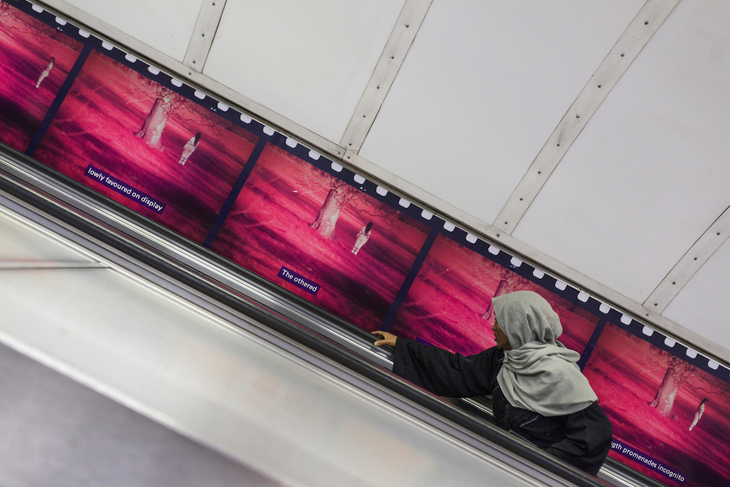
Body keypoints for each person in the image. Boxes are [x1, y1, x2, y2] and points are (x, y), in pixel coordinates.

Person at [373, 291, 612, 476]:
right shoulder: (503, 358)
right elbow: (459, 372)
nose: (493, 326)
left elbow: (593, 436)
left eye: (501, 321)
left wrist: (541, 466)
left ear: (519, 327)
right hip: (502, 467)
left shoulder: (561, 375)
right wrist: (405, 348)